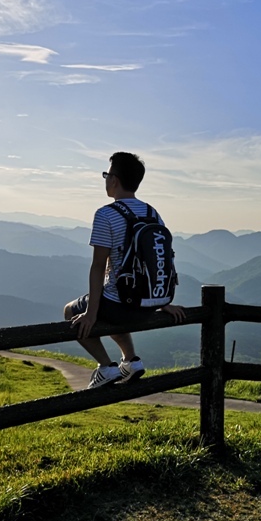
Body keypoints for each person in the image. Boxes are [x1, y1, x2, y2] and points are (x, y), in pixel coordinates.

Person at [64, 152, 185, 388]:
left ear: (115, 180)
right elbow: (158, 260)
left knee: (70, 311)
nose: (106, 179)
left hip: (122, 305)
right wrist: (162, 302)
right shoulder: (152, 213)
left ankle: (106, 367)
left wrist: (90, 312)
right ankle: (131, 361)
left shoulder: (106, 214)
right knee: (113, 305)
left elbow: (98, 266)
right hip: (147, 305)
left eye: (106, 174)